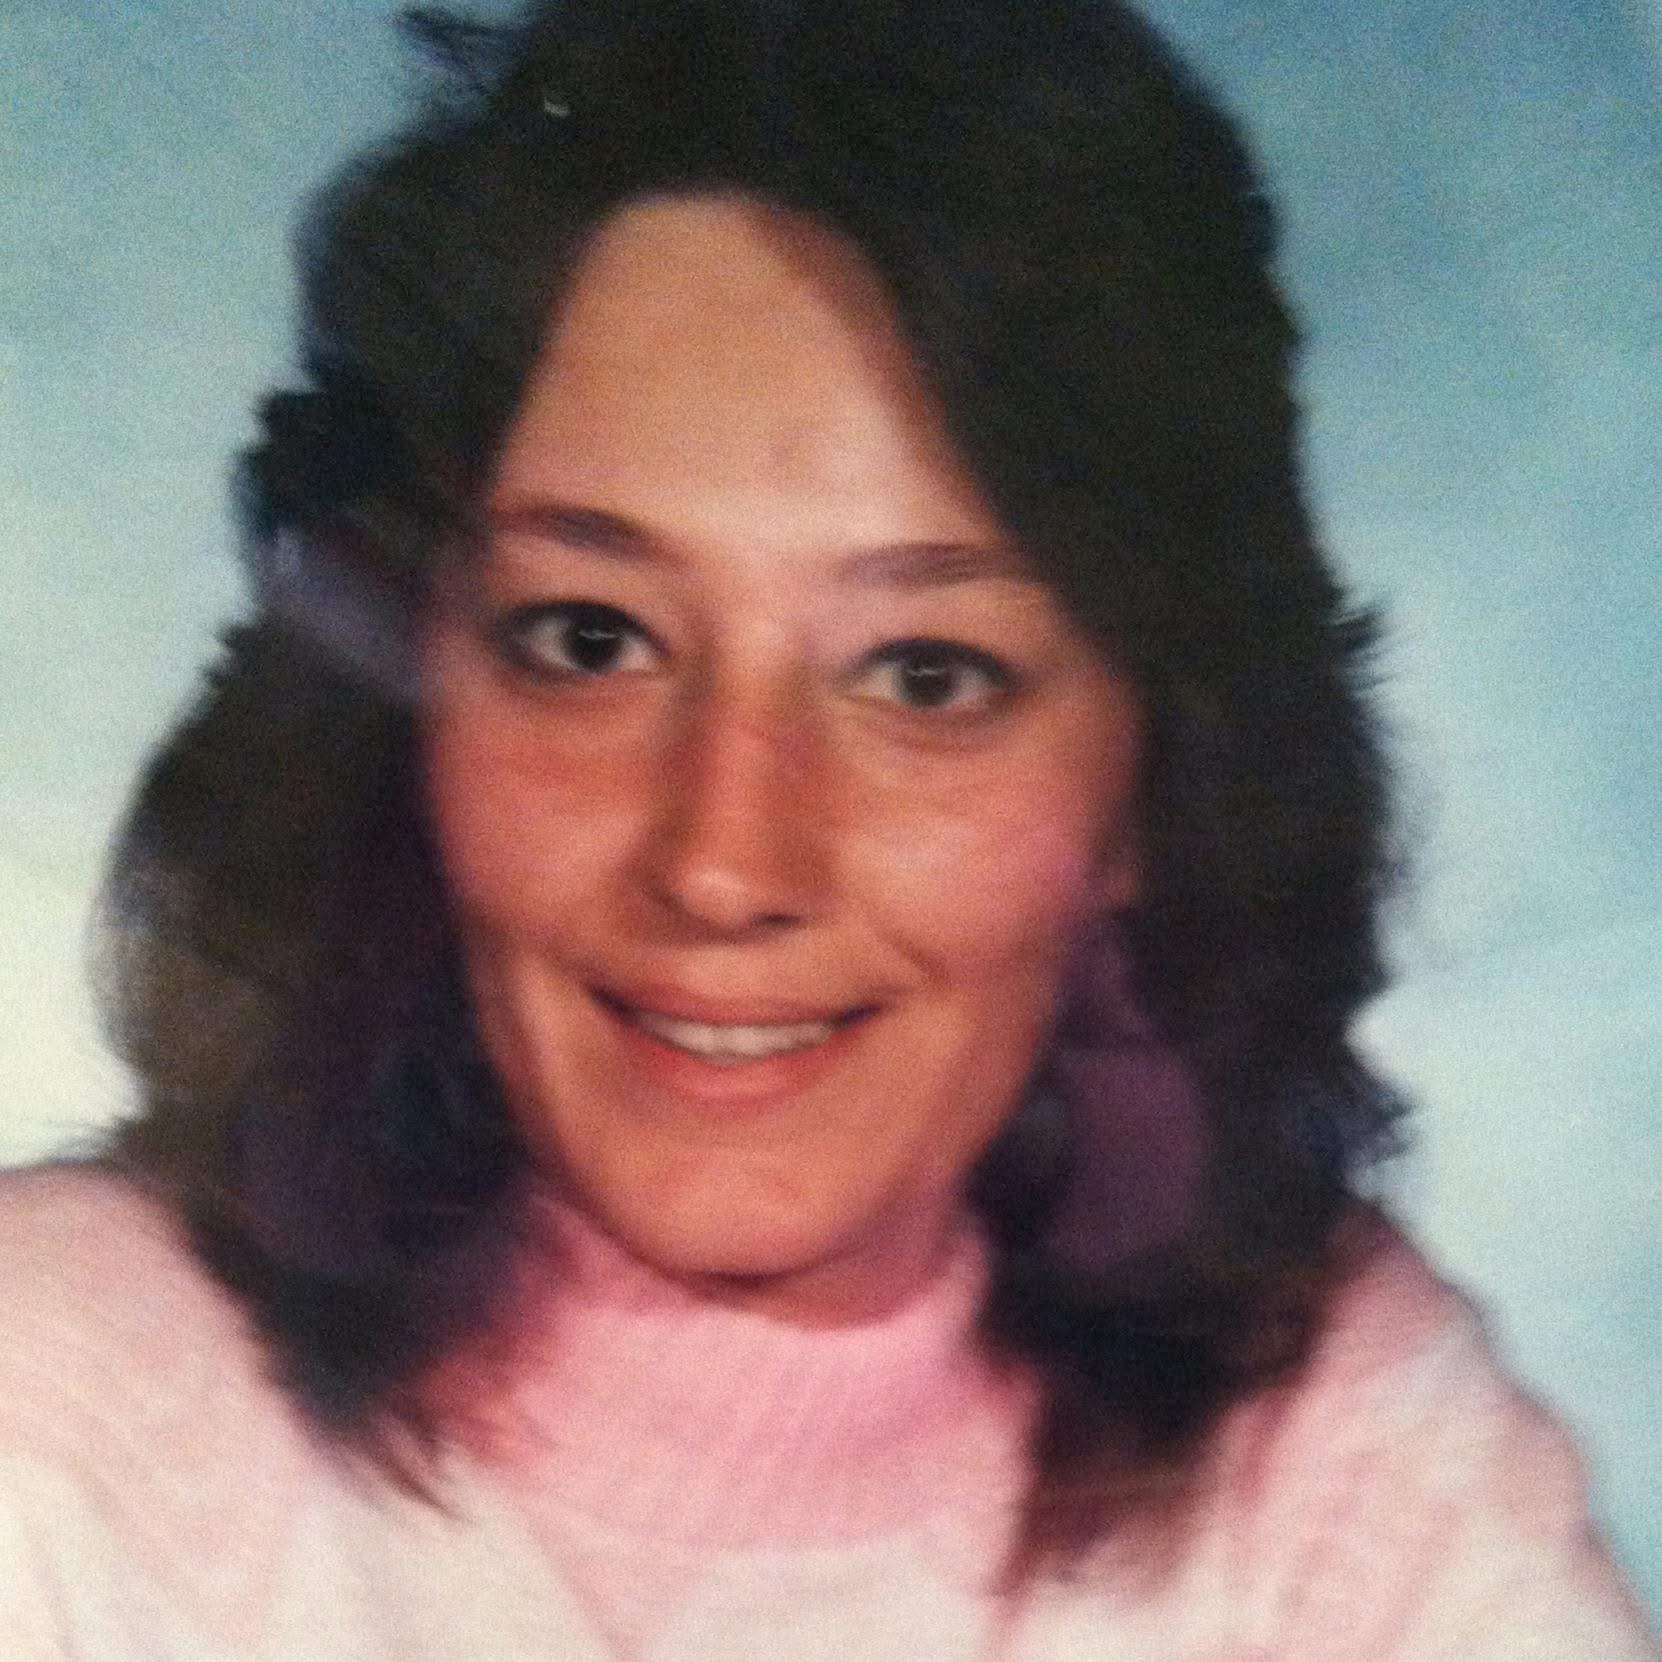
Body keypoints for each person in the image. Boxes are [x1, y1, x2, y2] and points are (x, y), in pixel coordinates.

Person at [0, 1, 1654, 1656]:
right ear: (406, 702)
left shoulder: (1340, 1466)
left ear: (1154, 777)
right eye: (591, 640)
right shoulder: (56, 1418)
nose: (725, 863)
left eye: (925, 675)